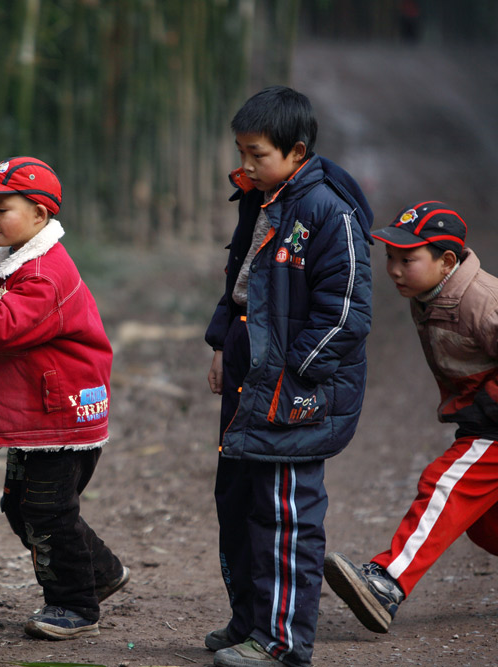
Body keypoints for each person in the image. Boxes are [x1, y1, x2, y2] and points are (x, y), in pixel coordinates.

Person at [0, 156, 129, 641]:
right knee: (21, 506)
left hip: (62, 415)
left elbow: (0, 326)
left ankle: (75, 605)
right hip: (42, 410)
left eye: (3, 207)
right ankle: (99, 571)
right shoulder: (21, 263)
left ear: (40, 214)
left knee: (48, 510)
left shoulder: (43, 273)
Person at [203, 86, 373, 667]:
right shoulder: (261, 197)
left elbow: (347, 312)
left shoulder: (330, 211)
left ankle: (281, 642)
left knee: (286, 515)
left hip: (294, 389)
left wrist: (294, 368)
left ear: (296, 151)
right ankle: (249, 621)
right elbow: (240, 280)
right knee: (237, 500)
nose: (245, 166)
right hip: (249, 378)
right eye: (241, 152)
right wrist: (223, 344)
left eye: (257, 154)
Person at [324, 202, 498, 635]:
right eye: (390, 258)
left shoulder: (482, 302)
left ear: (447, 262)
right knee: (484, 525)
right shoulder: (430, 293)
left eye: (408, 259)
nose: (395, 270)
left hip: (493, 425)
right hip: (482, 418)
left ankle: (386, 583)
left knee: (445, 485)